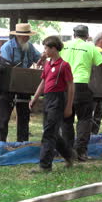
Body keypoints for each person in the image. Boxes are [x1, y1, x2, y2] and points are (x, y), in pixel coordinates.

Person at [60, 25, 102, 161]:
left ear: (74, 34)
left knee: (66, 120)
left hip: (64, 87)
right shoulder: (90, 47)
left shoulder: (64, 46)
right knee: (84, 120)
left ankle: (68, 152)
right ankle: (81, 152)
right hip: (80, 86)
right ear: (87, 36)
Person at [29, 36, 75, 172]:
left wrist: (69, 106)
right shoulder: (48, 64)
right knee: (52, 131)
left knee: (49, 133)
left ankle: (45, 166)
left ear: (53, 48)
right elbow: (43, 82)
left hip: (58, 99)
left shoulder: (64, 65)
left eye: (46, 48)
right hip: (48, 99)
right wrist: (35, 98)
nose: (44, 51)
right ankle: (69, 155)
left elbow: (71, 86)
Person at [0, 23, 44, 142]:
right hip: (8, 86)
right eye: (25, 36)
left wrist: (44, 60)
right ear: (18, 36)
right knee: (4, 117)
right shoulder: (7, 47)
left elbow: (39, 59)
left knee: (24, 116)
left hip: (24, 87)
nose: (27, 38)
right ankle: (1, 143)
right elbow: (5, 67)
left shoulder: (30, 47)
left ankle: (23, 143)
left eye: (28, 36)